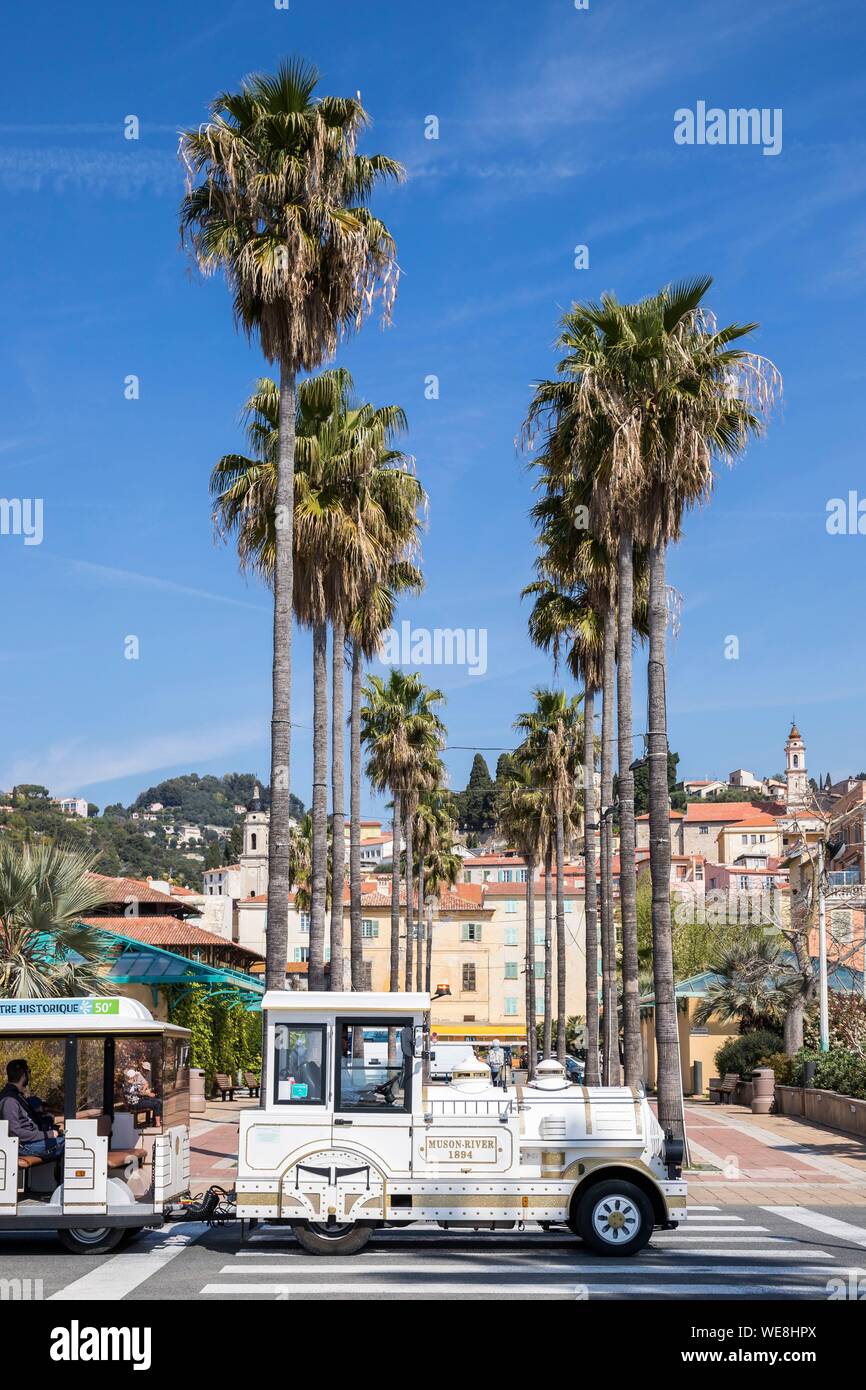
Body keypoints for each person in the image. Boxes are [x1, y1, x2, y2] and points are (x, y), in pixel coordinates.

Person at [0, 1060, 65, 1159]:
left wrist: (51, 1128)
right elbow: (14, 1132)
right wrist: (48, 1134)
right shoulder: (9, 1100)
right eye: (28, 1072)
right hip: (24, 1146)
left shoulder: (18, 1097)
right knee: (69, 1144)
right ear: (23, 1075)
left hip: (30, 1143)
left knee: (69, 1139)